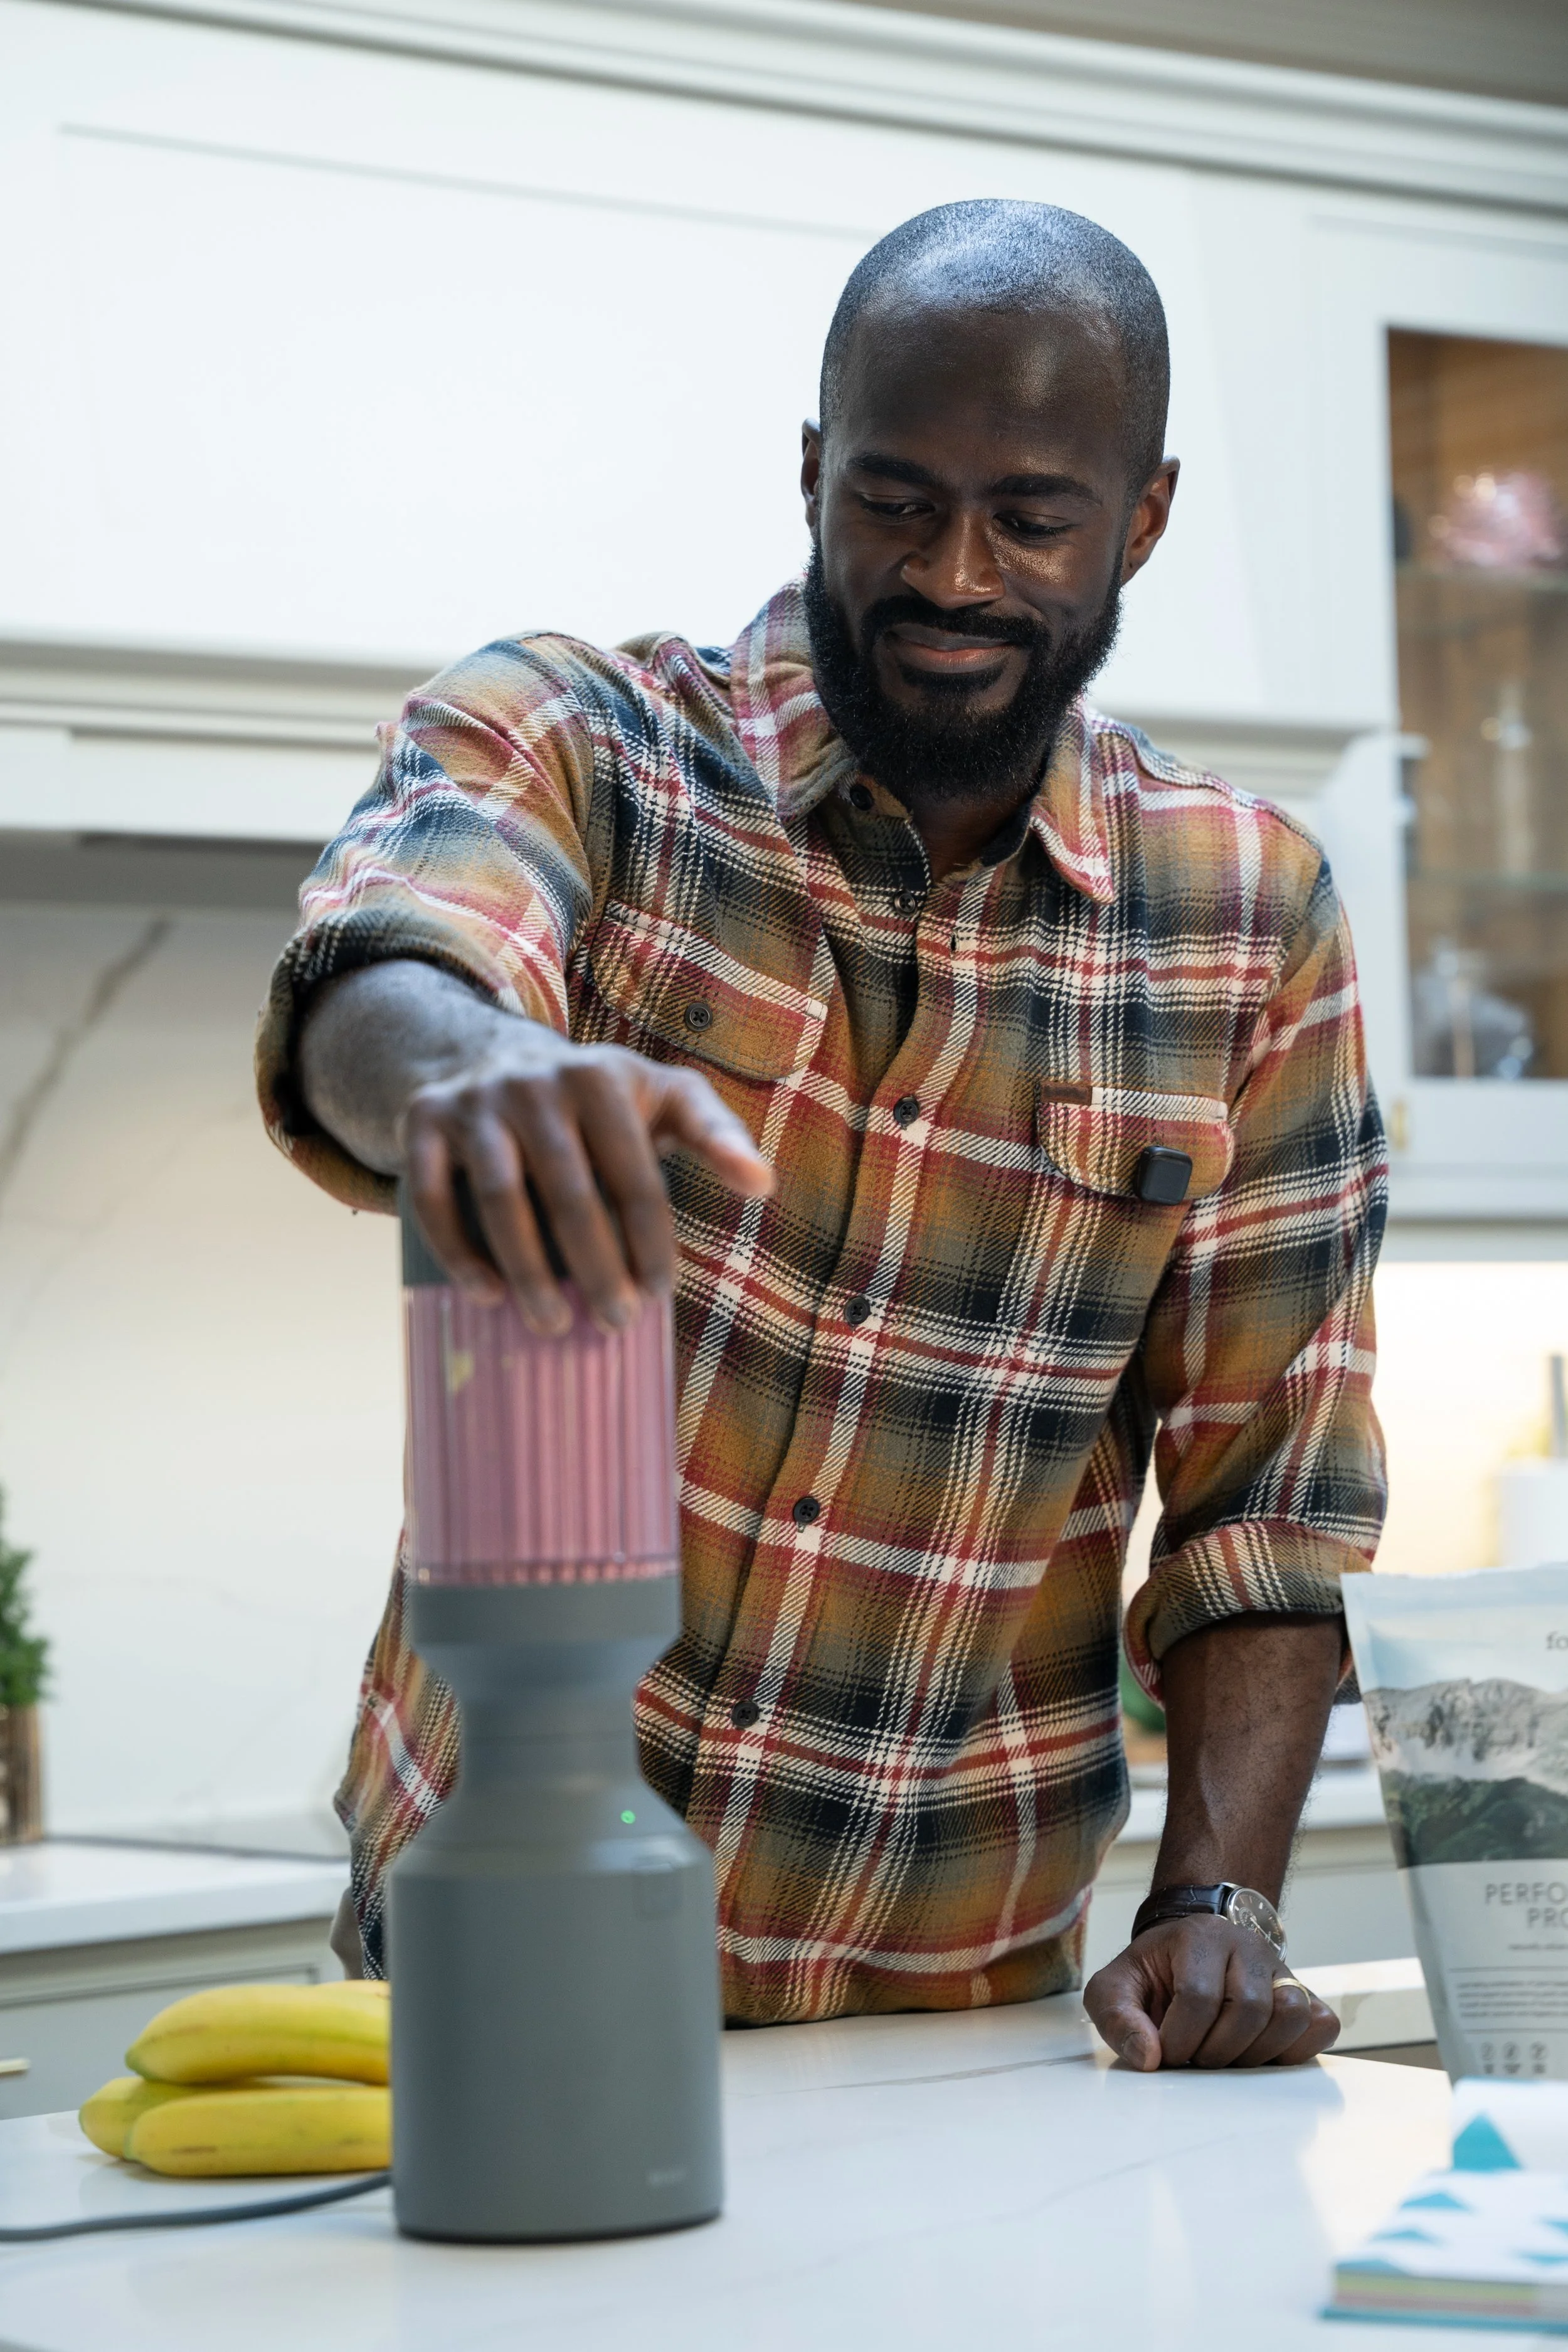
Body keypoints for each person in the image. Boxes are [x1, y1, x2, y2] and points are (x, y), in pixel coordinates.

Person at [258, 199, 1385, 2069]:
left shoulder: (1244, 913)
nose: (950, 570)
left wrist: (1214, 1897)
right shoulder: (588, 744)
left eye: (1029, 515)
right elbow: (384, 964)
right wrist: (472, 1071)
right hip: (492, 1957)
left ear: (1143, 519)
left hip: (954, 2017)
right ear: (809, 471)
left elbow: (1262, 1499)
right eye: (890, 497)